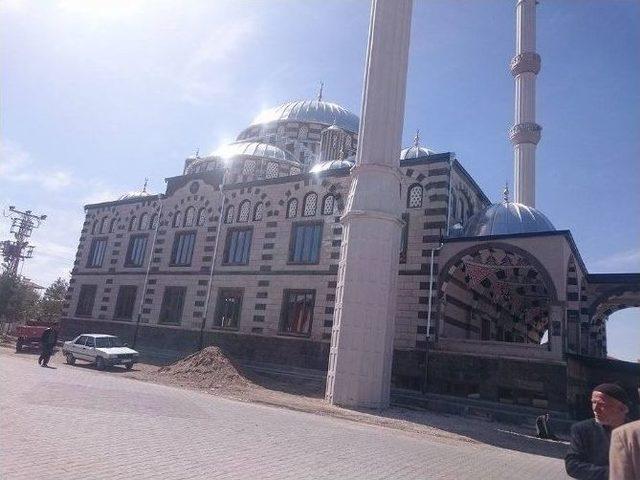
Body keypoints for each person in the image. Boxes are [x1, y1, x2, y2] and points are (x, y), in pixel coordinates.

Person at [565, 383, 630, 480]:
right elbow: (572, 466)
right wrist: (613, 473)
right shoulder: (582, 429)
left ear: (622, 408)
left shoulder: (635, 431)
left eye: (602, 404)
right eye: (594, 402)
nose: (595, 409)